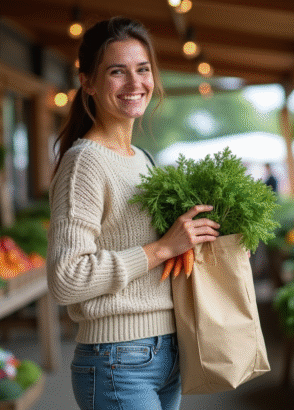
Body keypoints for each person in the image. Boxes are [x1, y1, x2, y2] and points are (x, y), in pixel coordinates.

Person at [47, 17, 220, 410]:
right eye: (116, 72)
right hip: (117, 361)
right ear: (88, 82)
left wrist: (209, 244)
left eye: (142, 70)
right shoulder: (85, 164)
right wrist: (160, 249)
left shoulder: (142, 159)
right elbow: (65, 278)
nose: (135, 83)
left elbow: (163, 258)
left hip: (165, 353)